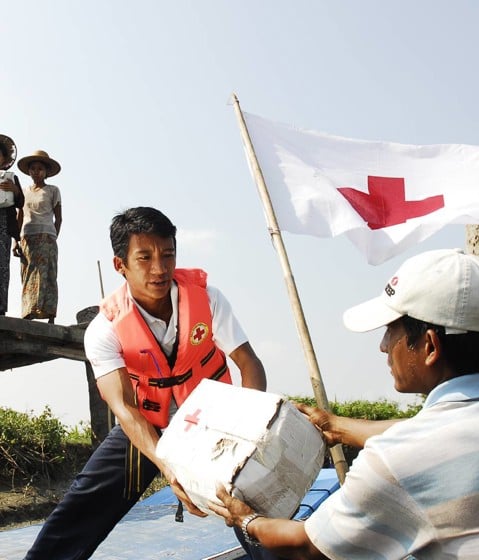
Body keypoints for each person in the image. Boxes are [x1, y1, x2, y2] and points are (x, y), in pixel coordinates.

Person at [210, 248, 479, 559]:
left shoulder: (399, 459)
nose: (382, 346)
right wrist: (335, 426)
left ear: (429, 347)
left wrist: (247, 519)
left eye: (391, 331)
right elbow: (445, 432)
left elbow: (308, 547)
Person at [23, 206, 274, 560]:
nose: (159, 268)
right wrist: (170, 469)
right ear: (120, 265)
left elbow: (249, 363)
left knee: (254, 501)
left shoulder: (208, 298)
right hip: (146, 422)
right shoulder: (103, 329)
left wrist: (245, 434)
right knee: (85, 502)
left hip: (212, 423)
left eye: (168, 255)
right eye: (144, 257)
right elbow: (123, 408)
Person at [16, 149, 62, 323]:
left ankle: (50, 314)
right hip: (27, 236)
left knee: (48, 274)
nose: (36, 171)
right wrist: (16, 240)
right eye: (33, 168)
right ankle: (29, 312)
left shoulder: (52, 190)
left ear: (46, 172)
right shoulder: (24, 191)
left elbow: (59, 218)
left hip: (46, 236)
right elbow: (19, 216)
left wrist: (53, 236)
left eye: (40, 169)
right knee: (29, 275)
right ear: (29, 171)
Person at [0, 134, 24, 316]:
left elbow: (20, 203)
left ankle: (0, 307)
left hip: (4, 225)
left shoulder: (11, 177)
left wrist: (15, 191)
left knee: (2, 265)